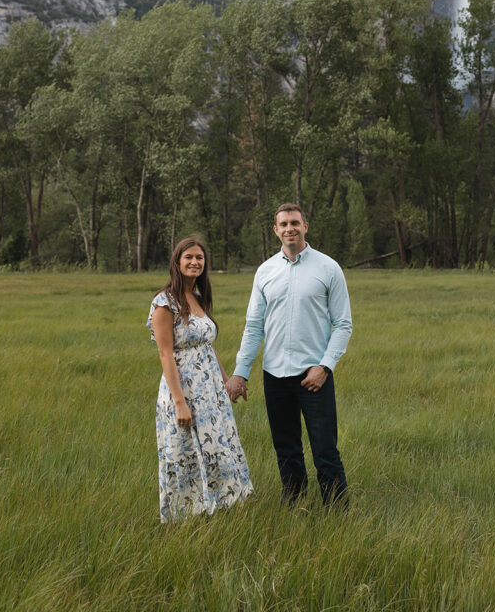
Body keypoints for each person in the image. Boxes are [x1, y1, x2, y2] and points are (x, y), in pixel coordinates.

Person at [226, 204, 352, 507]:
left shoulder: (328, 268)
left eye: (295, 222)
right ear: (276, 230)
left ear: (305, 226)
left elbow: (343, 324)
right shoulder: (265, 271)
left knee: (324, 449)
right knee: (286, 448)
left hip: (314, 376)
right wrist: (240, 373)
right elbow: (254, 326)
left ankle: (337, 513)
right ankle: (294, 506)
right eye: (283, 224)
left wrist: (325, 367)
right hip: (276, 376)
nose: (289, 228)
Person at [147, 236, 253, 523]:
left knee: (219, 448)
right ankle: (188, 518)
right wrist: (180, 403)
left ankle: (222, 509)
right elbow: (166, 355)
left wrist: (227, 380)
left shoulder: (197, 297)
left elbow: (207, 346)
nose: (195, 262)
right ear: (177, 262)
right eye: (189, 257)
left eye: (200, 258)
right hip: (184, 392)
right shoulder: (164, 303)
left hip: (212, 394)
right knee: (186, 454)